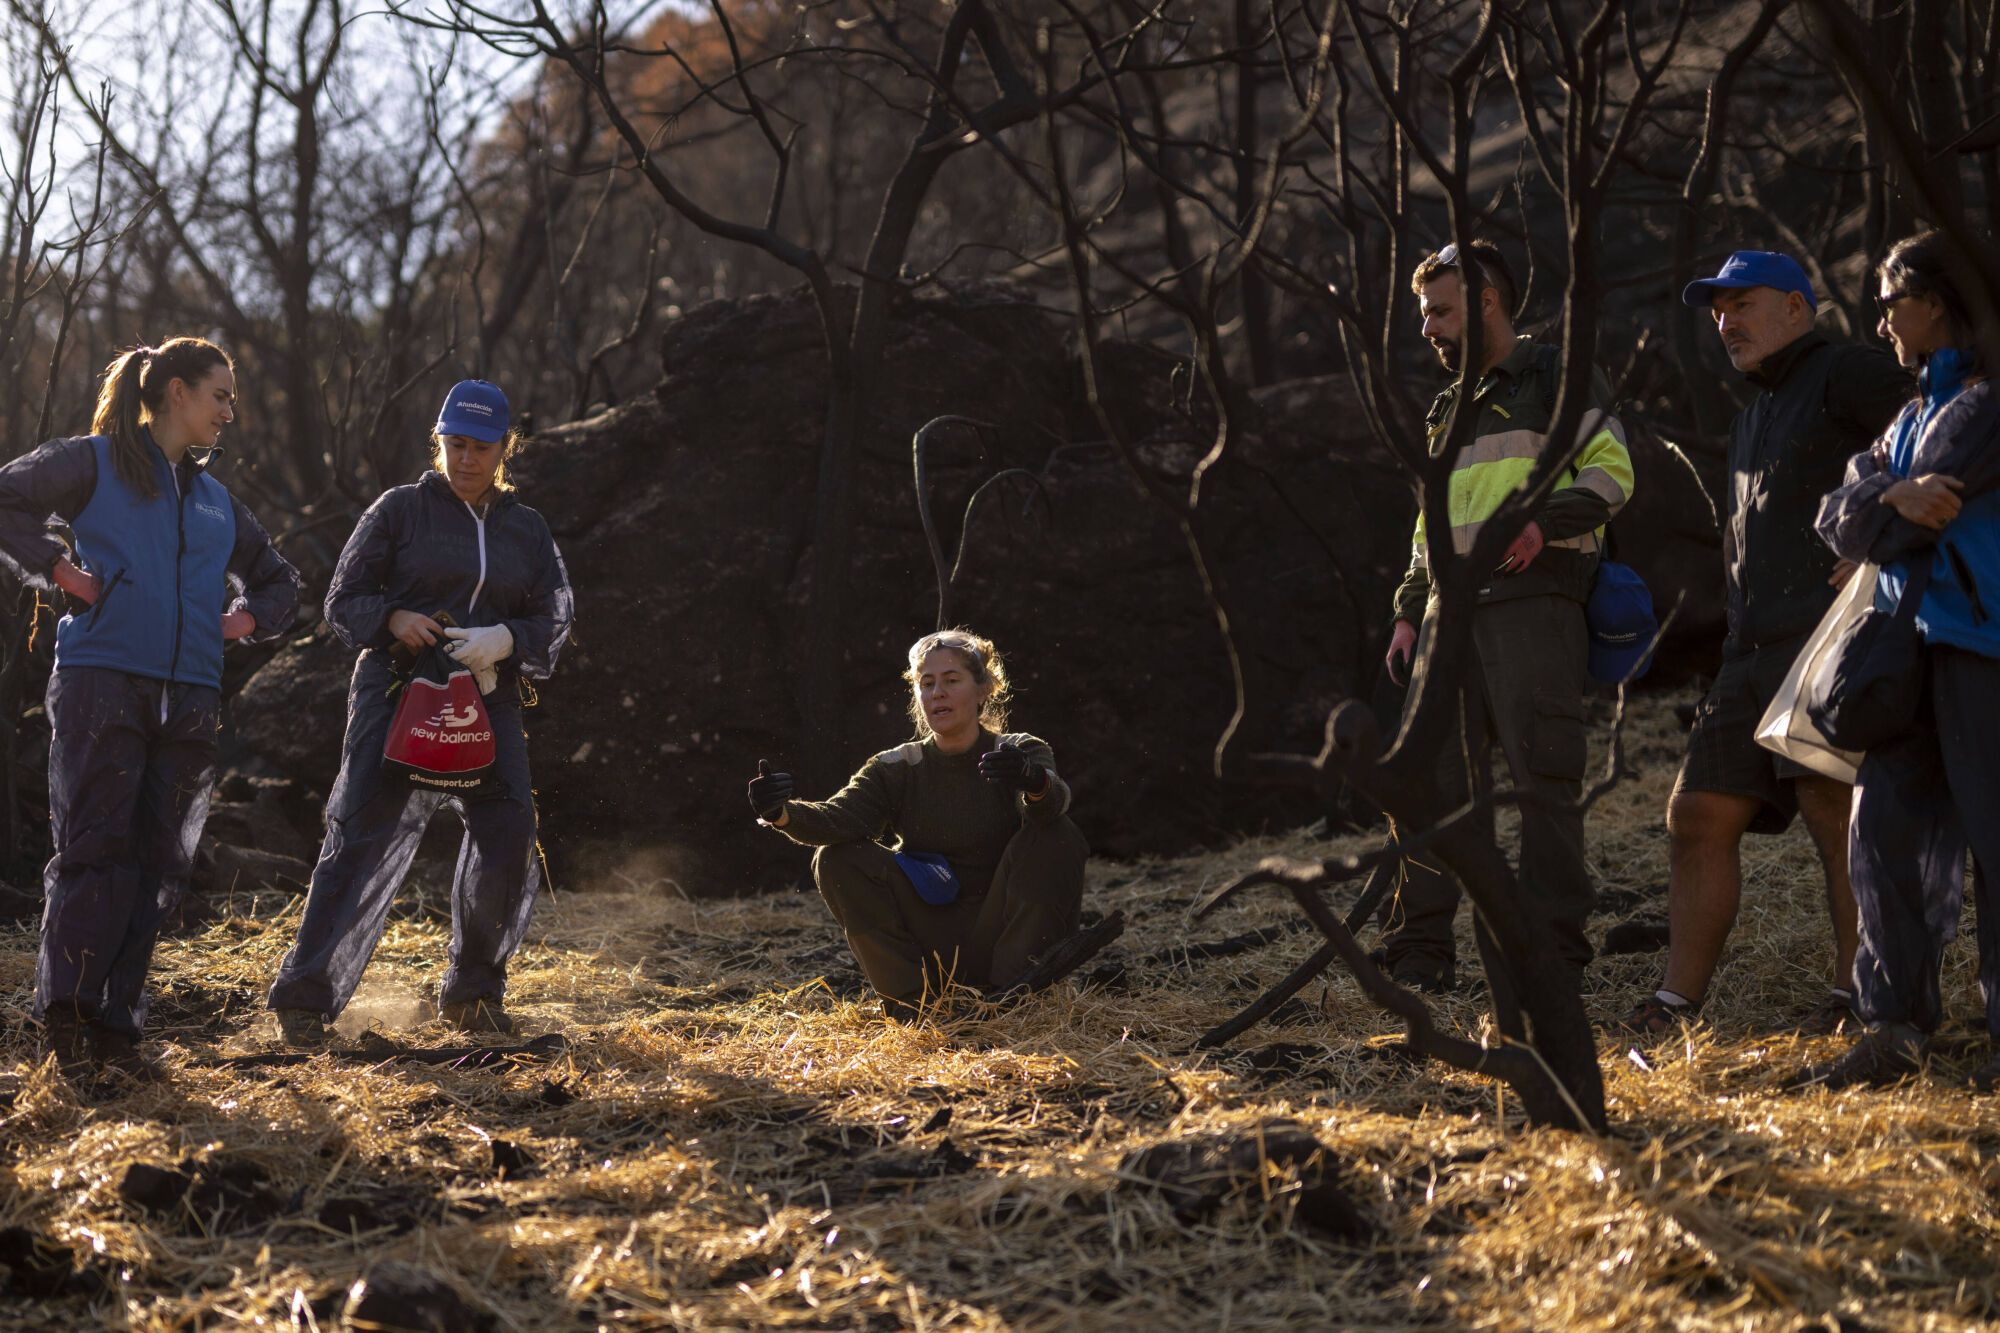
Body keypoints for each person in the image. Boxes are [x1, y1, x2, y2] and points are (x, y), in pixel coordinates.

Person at [1617, 252, 1912, 1038]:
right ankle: (1676, 1003)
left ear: (1795, 307)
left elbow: (1934, 439)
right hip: (1747, 653)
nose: (1725, 322)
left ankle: (1861, 996)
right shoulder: (1751, 415)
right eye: (1717, 311)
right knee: (1696, 811)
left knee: (1832, 805)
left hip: (1831, 632)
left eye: (1741, 304)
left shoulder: (1849, 370)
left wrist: (1883, 541)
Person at [0, 338, 300, 1082]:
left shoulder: (217, 501)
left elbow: (279, 582)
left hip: (192, 695)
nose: (229, 412)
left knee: (162, 861)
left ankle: (118, 1029)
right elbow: (6, 498)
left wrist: (235, 623)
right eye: (220, 396)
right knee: (95, 849)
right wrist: (63, 572)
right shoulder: (95, 461)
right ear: (176, 392)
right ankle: (68, 1021)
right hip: (102, 682)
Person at [266, 380, 573, 1045]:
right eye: (455, 444)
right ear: (438, 442)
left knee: (509, 831)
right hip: (396, 690)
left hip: (487, 695)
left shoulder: (527, 528)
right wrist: (393, 619)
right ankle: (305, 998)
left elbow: (555, 611)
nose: (466, 459)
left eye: (481, 447)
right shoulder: (399, 510)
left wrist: (506, 638)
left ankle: (473, 994)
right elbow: (343, 598)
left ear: (505, 447)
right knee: (360, 833)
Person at [1376, 240, 1634, 991]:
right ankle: (1419, 957)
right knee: (1425, 783)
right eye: (1425, 312)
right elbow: (1427, 524)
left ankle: (1550, 960)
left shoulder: (1557, 374)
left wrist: (1541, 524)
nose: (1427, 327)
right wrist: (1409, 610)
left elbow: (1613, 471)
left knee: (1541, 779)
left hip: (1533, 606)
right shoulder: (1445, 406)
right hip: (1444, 620)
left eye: (1439, 311)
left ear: (1486, 301)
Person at [1800, 231, 2000, 1089]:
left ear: (1937, 302)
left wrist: (1882, 505)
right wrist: (1891, 495)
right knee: (1879, 837)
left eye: (1890, 303)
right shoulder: (1911, 413)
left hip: (1982, 647)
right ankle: (1894, 1028)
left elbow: (1923, 508)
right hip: (1903, 650)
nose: (1880, 321)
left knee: (1995, 837)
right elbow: (1834, 517)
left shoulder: (1987, 405)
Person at [748, 629, 1089, 1019]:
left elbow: (1052, 806)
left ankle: (1014, 1000)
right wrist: (779, 813)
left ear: (983, 690)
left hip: (1007, 937)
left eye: (952, 680)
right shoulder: (896, 766)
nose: (938, 693)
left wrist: (1034, 782)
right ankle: (912, 1006)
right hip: (933, 939)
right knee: (836, 858)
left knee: (1059, 834)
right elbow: (838, 819)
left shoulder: (1019, 750)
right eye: (927, 684)